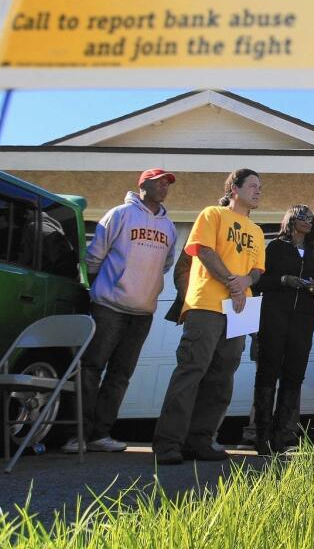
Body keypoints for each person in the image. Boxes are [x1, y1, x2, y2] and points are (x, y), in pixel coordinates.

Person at [152, 169, 265, 465]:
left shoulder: (257, 231)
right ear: (234, 188)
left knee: (222, 377)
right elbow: (202, 250)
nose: (258, 191)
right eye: (252, 185)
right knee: (192, 370)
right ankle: (168, 443)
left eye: (260, 187)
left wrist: (246, 283)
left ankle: (200, 441)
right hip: (207, 305)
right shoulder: (212, 214)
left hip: (240, 310)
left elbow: (257, 270)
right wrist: (232, 282)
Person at [63, 168, 177, 454]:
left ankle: (101, 434)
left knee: (120, 375)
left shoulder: (170, 227)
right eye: (159, 182)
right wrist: (92, 291)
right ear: (144, 185)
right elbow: (94, 258)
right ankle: (77, 435)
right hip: (108, 307)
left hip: (142, 313)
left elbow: (165, 265)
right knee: (90, 370)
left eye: (167, 184)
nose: (164, 187)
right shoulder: (119, 214)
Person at [252, 205, 314, 455]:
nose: (309, 222)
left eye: (312, 219)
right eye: (303, 217)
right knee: (267, 372)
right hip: (273, 317)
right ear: (291, 220)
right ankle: (261, 436)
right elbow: (259, 281)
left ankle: (281, 435)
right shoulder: (275, 247)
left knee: (294, 375)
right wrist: (283, 280)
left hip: (303, 320)